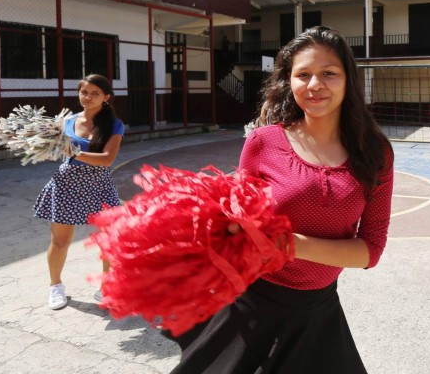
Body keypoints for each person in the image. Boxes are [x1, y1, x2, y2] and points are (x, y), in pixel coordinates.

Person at [167, 26, 394, 374]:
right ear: (289, 82)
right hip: (250, 307)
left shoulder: (376, 152)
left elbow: (371, 250)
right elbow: (237, 225)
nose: (315, 84)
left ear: (348, 79)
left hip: (318, 314)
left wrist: (288, 244)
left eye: (328, 73)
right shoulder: (262, 141)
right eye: (303, 74)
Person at [34, 74, 124, 309]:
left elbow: (107, 159)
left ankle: (106, 286)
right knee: (60, 242)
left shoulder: (114, 124)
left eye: (95, 93)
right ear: (79, 94)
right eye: (84, 92)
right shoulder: (66, 121)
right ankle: (55, 286)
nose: (88, 97)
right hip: (67, 184)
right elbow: (54, 150)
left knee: (111, 239)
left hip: (100, 184)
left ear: (106, 97)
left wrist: (73, 151)